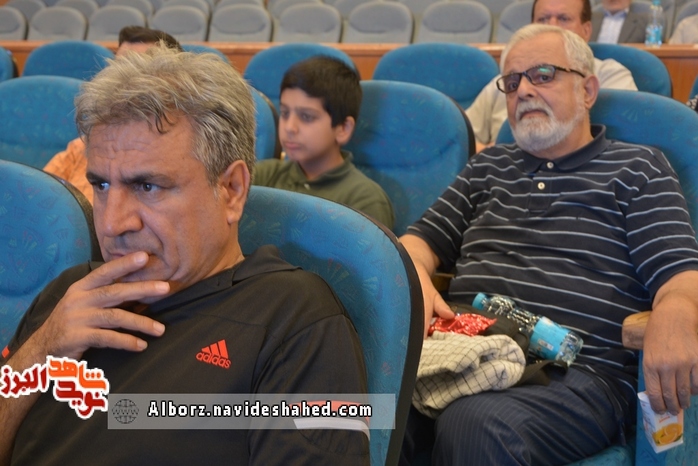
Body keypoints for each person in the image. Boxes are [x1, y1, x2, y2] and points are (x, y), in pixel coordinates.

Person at [0, 45, 369, 465]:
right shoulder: (71, 294)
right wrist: (42, 349)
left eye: (147, 187)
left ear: (231, 190)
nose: (112, 223)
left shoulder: (296, 320)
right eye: (101, 185)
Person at [400, 24, 698, 465]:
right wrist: (413, 275)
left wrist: (678, 310)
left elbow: (679, 275)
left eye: (542, 75)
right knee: (346, 408)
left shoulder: (638, 168)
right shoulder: (487, 166)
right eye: (512, 82)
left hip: (576, 374)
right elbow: (417, 243)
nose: (523, 90)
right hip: (462, 355)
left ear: (588, 90)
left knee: (472, 423)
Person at [466, 0, 637, 151]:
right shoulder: (504, 82)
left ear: (586, 30)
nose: (552, 27)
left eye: (563, 18)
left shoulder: (611, 75)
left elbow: (622, 143)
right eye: (542, 19)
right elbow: (462, 139)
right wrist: (496, 154)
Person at [252, 56, 395, 230]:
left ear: (343, 128)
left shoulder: (365, 200)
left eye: (306, 117)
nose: (289, 127)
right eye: (285, 113)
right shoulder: (263, 175)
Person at [43, 26, 183, 204]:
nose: (124, 81)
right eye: (118, 68)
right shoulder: (81, 148)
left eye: (141, 70)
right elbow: (37, 202)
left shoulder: (188, 155)